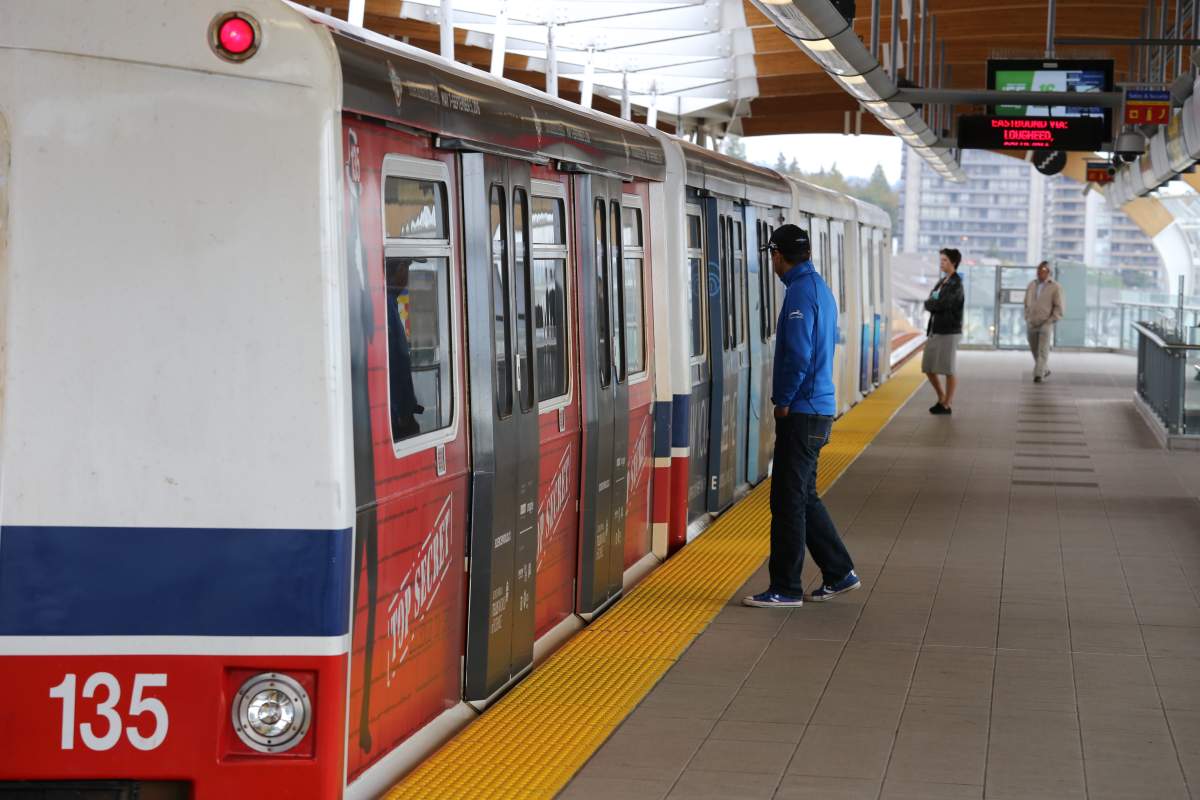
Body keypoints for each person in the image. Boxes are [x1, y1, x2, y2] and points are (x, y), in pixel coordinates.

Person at [744, 224, 859, 608]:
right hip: (818, 408)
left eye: (772, 256)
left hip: (803, 409)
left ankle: (785, 588)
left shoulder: (798, 293)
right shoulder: (819, 288)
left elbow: (797, 354)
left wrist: (783, 399)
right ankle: (840, 572)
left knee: (787, 501)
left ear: (778, 255)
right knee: (804, 496)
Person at [922, 248, 965, 415]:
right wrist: (933, 303)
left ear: (953, 262)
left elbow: (942, 304)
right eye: (941, 260)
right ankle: (941, 396)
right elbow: (929, 301)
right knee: (928, 367)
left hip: (950, 331)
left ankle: (947, 404)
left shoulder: (956, 284)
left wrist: (933, 303)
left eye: (945, 260)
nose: (942, 263)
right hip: (935, 329)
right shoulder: (942, 282)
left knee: (948, 369)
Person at [1024, 261, 1064, 383]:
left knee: (1042, 350)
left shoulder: (1055, 287)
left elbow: (1059, 306)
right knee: (1034, 349)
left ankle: (1038, 374)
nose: (1040, 272)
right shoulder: (1032, 284)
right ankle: (1044, 369)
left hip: (1046, 323)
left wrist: (1051, 320)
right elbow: (1026, 302)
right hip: (1032, 321)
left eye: (1043, 270)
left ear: (1049, 272)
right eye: (1039, 270)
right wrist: (1027, 316)